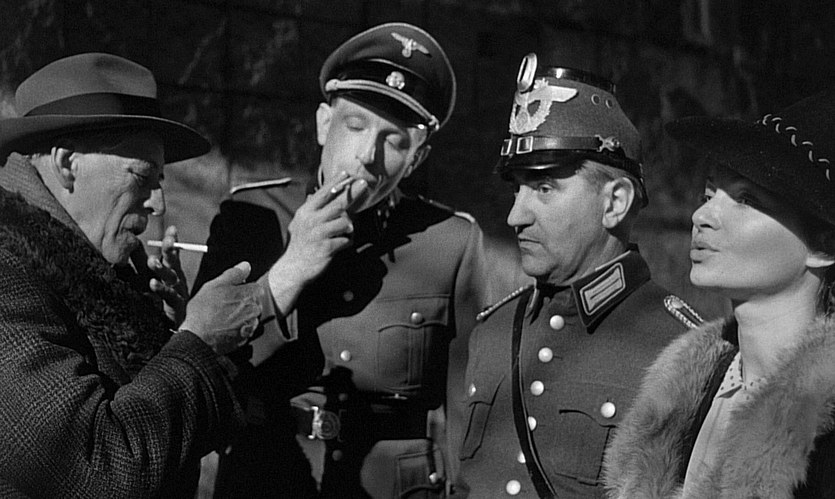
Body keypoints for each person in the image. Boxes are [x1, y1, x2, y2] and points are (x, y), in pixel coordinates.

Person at [192, 23, 502, 498]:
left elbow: (470, 415)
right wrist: (289, 270)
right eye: (355, 126)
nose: (367, 156)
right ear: (323, 124)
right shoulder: (251, 218)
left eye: (395, 142)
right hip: (267, 476)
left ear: (417, 159)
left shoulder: (450, 243)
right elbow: (201, 365)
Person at [0, 53, 267, 497]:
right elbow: (102, 470)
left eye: (160, 181)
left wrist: (173, 334)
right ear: (67, 164)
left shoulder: (102, 274)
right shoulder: (8, 276)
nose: (158, 205)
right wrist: (199, 342)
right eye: (142, 177)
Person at [452, 54, 702, 498]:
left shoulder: (682, 352)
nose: (515, 216)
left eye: (544, 188)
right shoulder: (493, 330)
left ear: (615, 203)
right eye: (517, 189)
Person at [602, 90, 835, 498]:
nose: (702, 216)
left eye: (746, 199)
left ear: (823, 248)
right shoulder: (689, 394)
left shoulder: (824, 428)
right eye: (709, 196)